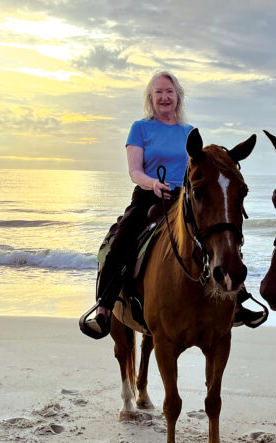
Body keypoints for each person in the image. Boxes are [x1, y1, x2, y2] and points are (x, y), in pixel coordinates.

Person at [79, 71, 265, 340]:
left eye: (169, 91)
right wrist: (152, 183)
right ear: (150, 98)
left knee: (220, 235)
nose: (164, 97)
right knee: (121, 240)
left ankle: (237, 300)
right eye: (159, 92)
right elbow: (134, 171)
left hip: (184, 199)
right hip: (149, 197)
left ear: (178, 97)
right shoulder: (140, 128)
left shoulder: (189, 133)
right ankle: (104, 308)